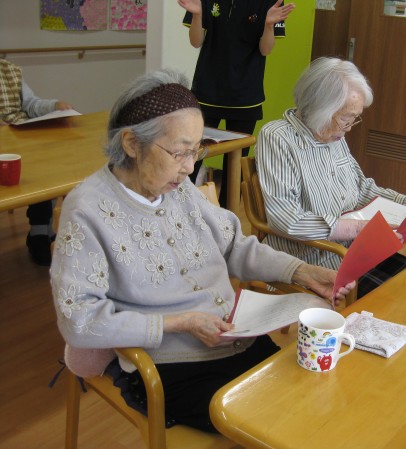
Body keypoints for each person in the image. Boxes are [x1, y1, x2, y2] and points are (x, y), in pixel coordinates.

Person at [50, 69, 354, 433]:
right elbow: (80, 321)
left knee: (312, 397)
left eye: (196, 151)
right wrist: (181, 323)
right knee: (274, 423)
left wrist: (301, 271)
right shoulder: (86, 210)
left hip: (235, 338)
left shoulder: (177, 187)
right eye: (179, 152)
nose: (190, 167)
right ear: (131, 143)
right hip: (168, 365)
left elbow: (234, 245)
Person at [255, 57, 406, 299]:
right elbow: (285, 218)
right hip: (314, 260)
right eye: (346, 118)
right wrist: (356, 228)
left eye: (354, 118)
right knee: (401, 298)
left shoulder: (332, 133)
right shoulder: (278, 137)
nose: (350, 127)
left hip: (353, 251)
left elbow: (361, 188)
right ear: (321, 110)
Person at [178, 0, 295, 206]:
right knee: (191, 157)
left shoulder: (271, 2)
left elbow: (265, 49)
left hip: (245, 97)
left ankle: (226, 219)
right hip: (207, 91)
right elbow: (196, 41)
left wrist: (268, 26)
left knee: (234, 169)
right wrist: (197, 15)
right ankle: (177, 208)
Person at [0, 59, 73, 265]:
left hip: (18, 139)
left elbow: (31, 104)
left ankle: (40, 232)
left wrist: (55, 106)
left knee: (45, 168)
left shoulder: (8, 69)